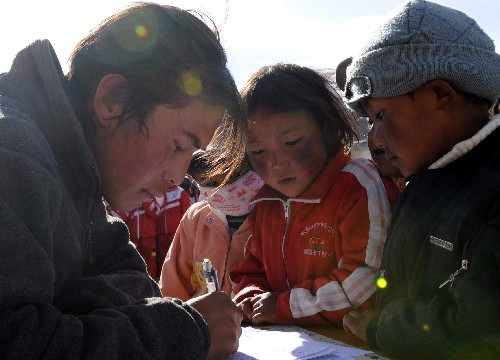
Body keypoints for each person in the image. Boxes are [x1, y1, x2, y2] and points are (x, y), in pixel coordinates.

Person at [0, 3, 246, 359]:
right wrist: (188, 333)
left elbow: (125, 276)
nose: (178, 179)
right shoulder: (14, 157)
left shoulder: (79, 177)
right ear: (112, 99)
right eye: (179, 144)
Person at [342, 1, 500, 358]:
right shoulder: (427, 180)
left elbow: (481, 321)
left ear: (439, 95)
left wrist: (381, 329)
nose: (373, 139)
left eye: (379, 115)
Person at [230, 63, 400, 327]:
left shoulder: (358, 185)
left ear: (327, 129)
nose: (276, 164)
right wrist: (251, 297)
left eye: (292, 142)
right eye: (258, 151)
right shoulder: (267, 202)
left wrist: (283, 306)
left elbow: (366, 281)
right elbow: (251, 266)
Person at [160, 149, 263, 300]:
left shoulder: (274, 214)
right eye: (212, 183)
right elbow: (174, 284)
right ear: (198, 184)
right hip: (203, 319)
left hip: (256, 320)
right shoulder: (195, 218)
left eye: (234, 175)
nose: (227, 188)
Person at [155, 183, 191, 275]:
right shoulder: (157, 193)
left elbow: (186, 214)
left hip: (176, 233)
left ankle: (179, 279)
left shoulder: (180, 192)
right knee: (163, 260)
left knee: (177, 257)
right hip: (160, 233)